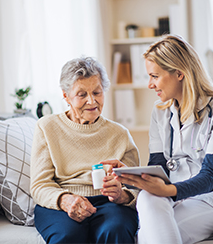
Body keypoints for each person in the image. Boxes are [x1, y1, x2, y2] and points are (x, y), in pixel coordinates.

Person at [103, 35, 213, 244]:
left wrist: (167, 190)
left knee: (147, 235)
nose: (150, 85)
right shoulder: (160, 110)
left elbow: (211, 177)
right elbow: (158, 166)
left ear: (179, 73)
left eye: (154, 76)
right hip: (178, 194)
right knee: (148, 197)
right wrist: (133, 176)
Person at [30, 56, 140, 244]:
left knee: (115, 231)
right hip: (62, 201)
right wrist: (65, 200)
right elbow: (40, 185)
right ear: (65, 96)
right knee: (67, 236)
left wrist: (122, 195)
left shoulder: (119, 134)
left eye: (97, 92)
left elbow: (136, 187)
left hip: (108, 203)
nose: (92, 101)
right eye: (82, 95)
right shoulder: (46, 127)